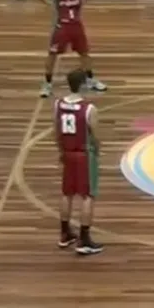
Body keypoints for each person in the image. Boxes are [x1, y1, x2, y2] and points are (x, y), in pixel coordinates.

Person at [34, 0, 107, 98]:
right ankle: (47, 83)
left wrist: (84, 0)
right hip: (61, 26)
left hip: (77, 25)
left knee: (84, 53)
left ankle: (90, 80)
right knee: (52, 55)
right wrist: (48, 3)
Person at [55, 69, 103, 255]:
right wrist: (97, 153)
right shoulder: (89, 109)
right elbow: (95, 136)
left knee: (67, 193)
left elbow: (56, 130)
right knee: (88, 195)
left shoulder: (58, 105)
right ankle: (84, 239)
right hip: (84, 154)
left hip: (67, 152)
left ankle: (65, 233)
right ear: (83, 84)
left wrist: (60, 151)